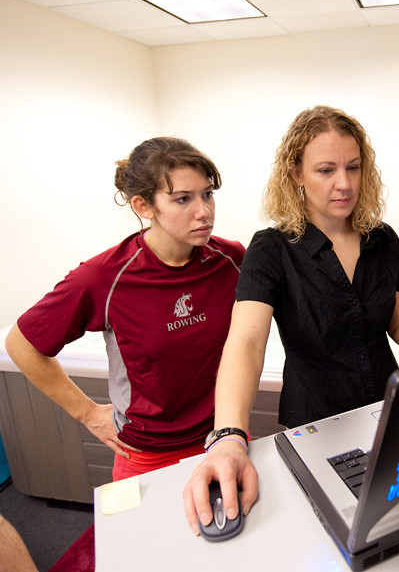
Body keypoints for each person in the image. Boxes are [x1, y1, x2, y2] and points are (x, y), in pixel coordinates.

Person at [183, 105, 399, 534]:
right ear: (296, 173)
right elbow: (246, 343)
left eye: (353, 167)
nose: (343, 184)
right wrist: (229, 435)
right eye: (326, 170)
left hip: (386, 415)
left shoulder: (381, 240)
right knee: (328, 536)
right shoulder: (272, 249)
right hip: (315, 425)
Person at [5, 137, 245, 481]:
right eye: (183, 199)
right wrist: (87, 413)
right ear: (144, 206)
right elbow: (21, 344)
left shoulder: (230, 259)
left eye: (207, 194)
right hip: (148, 453)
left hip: (223, 438)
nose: (203, 211)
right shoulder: (103, 277)